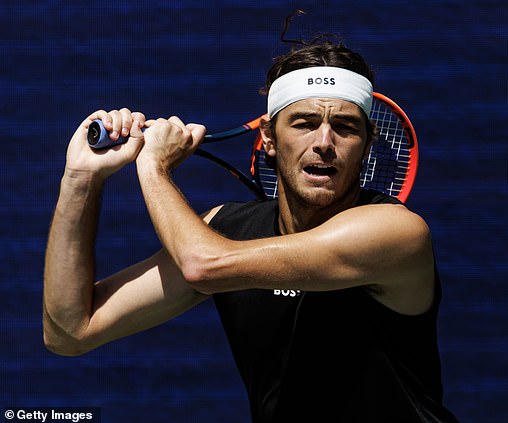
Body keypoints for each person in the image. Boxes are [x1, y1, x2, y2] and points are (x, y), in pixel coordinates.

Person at [43, 39, 459, 422]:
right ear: (269, 138)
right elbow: (70, 331)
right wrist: (81, 179)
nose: (324, 142)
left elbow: (203, 265)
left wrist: (152, 166)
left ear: (367, 146)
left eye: (346, 127)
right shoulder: (227, 231)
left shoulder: (396, 232)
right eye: (304, 123)